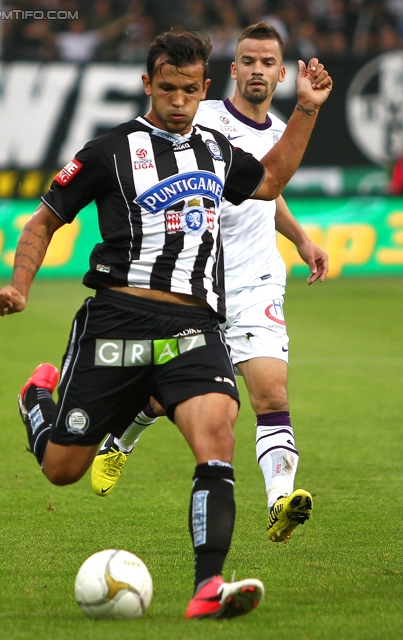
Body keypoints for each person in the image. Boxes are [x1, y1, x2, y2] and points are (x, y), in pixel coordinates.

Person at [0, 31, 332, 619]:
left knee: (217, 434)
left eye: (189, 90)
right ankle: (36, 398)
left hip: (193, 324)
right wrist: (18, 287)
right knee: (63, 469)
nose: (178, 101)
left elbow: (272, 181)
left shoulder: (217, 153)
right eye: (167, 88)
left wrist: (304, 108)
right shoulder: (107, 151)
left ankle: (207, 586)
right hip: (117, 320)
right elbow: (42, 222)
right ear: (149, 85)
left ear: (205, 88)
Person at [91, 23, 329, 545]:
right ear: (233, 69)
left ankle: (279, 500)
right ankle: (121, 440)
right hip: (194, 284)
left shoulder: (280, 131)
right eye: (249, 61)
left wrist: (301, 240)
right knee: (163, 395)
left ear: (281, 72)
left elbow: (268, 189)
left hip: (255, 282)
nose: (258, 70)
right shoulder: (204, 120)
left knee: (270, 391)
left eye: (268, 62)